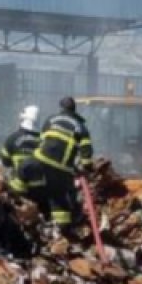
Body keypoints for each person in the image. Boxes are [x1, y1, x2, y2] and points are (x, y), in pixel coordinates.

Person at [33, 96, 94, 227]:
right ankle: (64, 227)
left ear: (61, 108)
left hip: (40, 161)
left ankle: (40, 219)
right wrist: (87, 167)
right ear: (74, 109)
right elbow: (86, 151)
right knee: (60, 196)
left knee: (40, 191)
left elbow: (41, 140)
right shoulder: (80, 126)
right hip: (61, 167)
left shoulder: (50, 119)